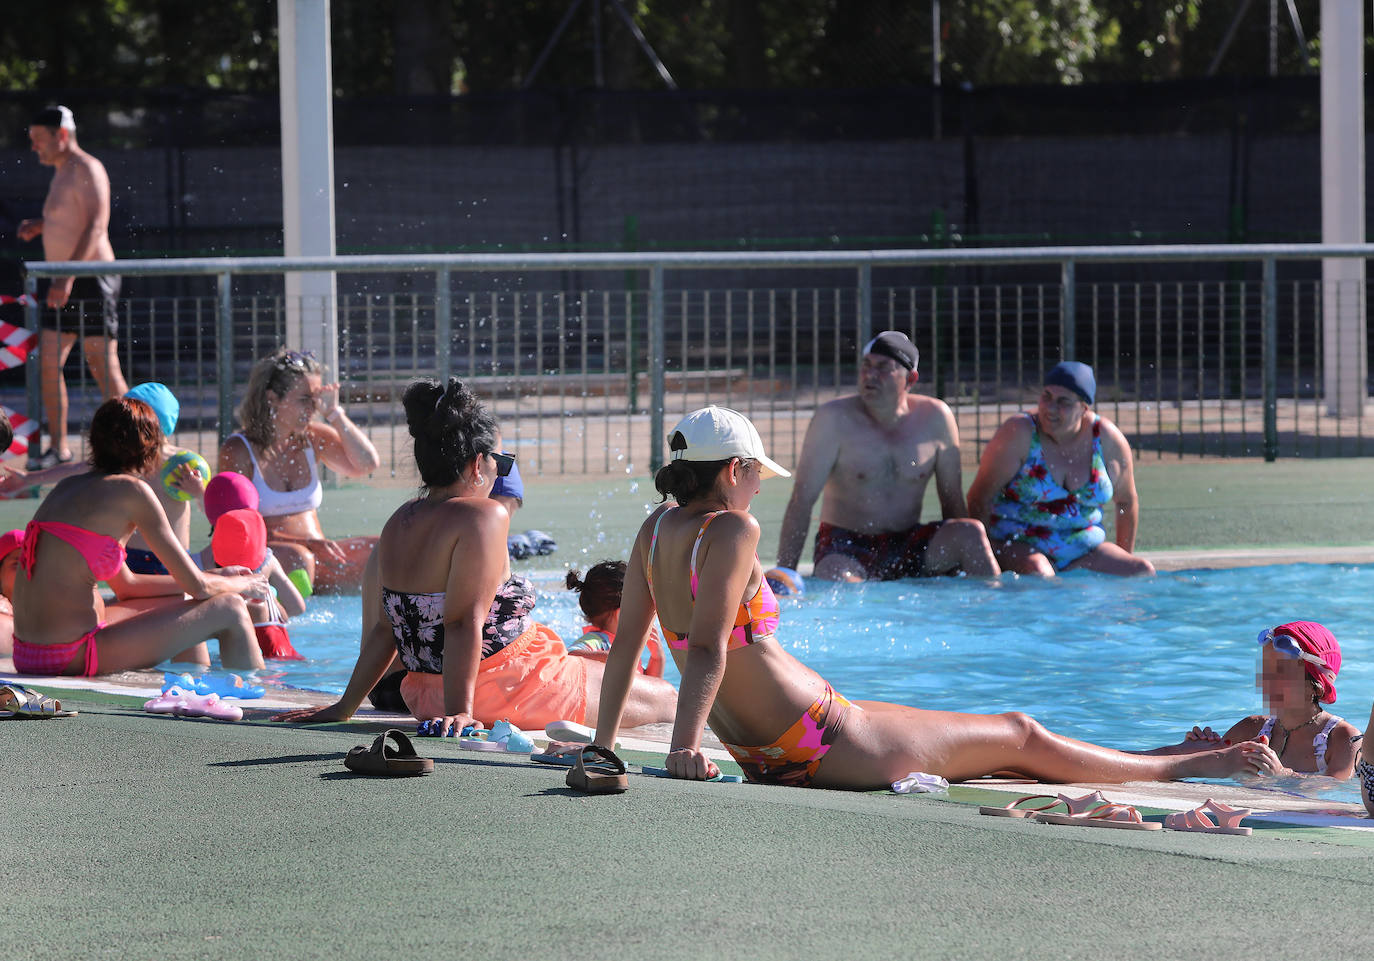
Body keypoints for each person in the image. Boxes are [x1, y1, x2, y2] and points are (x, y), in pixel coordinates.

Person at [591, 405, 1266, 788]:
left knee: (1006, 745)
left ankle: (1159, 753)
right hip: (823, 738)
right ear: (733, 470)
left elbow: (629, 647)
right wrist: (683, 748)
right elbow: (708, 646)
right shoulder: (734, 527)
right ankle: (1195, 762)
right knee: (1019, 732)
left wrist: (604, 745)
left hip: (778, 745)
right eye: (755, 475)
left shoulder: (655, 529)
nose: (760, 487)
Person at [273, 378, 676, 734]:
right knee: (666, 696)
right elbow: (465, 620)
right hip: (511, 687)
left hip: (424, 694)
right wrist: (461, 712)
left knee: (603, 667)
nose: (500, 474)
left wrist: (345, 707)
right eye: (500, 464)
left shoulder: (399, 521)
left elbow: (385, 631)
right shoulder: (484, 516)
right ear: (476, 464)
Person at [9, 397, 268, 676]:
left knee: (179, 600)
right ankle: (258, 700)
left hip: (27, 653)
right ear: (152, 448)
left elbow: (128, 587)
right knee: (230, 608)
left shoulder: (66, 487)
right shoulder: (133, 492)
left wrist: (218, 577)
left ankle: (192, 679)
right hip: (70, 654)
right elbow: (200, 588)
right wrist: (243, 583)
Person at [776, 331, 997, 581]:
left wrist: (958, 571)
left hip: (909, 542)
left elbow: (952, 501)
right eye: (866, 365)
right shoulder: (833, 419)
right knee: (836, 576)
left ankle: (992, 614)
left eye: (883, 368)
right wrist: (785, 575)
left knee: (970, 533)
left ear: (910, 379)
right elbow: (801, 500)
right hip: (847, 545)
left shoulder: (935, 418)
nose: (870, 375)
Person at [966, 361, 1154, 577]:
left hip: (1082, 549)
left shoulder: (1106, 440)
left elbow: (1126, 502)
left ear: (1084, 407)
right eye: (1046, 396)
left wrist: (1122, 563)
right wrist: (986, 560)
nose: (1050, 408)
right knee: (1040, 572)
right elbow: (978, 498)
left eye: (1063, 401)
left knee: (1140, 571)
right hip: (1020, 546)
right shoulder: (1020, 433)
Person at [218, 348, 381, 593]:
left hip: (317, 558)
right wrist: (306, 544)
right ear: (272, 398)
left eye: (317, 398)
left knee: (382, 550)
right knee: (299, 559)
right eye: (305, 399)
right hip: (271, 561)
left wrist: (335, 414)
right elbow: (238, 532)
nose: (314, 407)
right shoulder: (239, 450)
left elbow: (367, 463)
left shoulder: (314, 438)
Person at [18, 105, 127, 469]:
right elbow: (70, 221)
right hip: (63, 279)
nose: (34, 148)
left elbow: (96, 226)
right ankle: (59, 449)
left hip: (90, 279)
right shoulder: (62, 172)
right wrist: (42, 225)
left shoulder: (87, 168)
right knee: (47, 362)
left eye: (38, 140)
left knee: (101, 363)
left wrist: (67, 277)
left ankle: (136, 444)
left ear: (61, 136)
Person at [1143, 622, 1359, 780]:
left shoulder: (1342, 739)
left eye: (1281, 672)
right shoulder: (1250, 729)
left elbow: (1336, 792)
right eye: (1265, 671)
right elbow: (1183, 766)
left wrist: (1284, 775)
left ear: (1316, 683)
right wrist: (1190, 749)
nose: (1267, 681)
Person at [121, 382, 209, 575]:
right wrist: (37, 476)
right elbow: (78, 469)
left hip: (173, 561)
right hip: (129, 558)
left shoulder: (184, 463)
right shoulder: (125, 460)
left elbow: (212, 512)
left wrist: (199, 492)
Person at [565, 560, 664, 677]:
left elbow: (650, 687)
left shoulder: (623, 644)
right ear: (622, 614)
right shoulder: (598, 641)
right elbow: (569, 656)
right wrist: (612, 658)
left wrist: (657, 658)